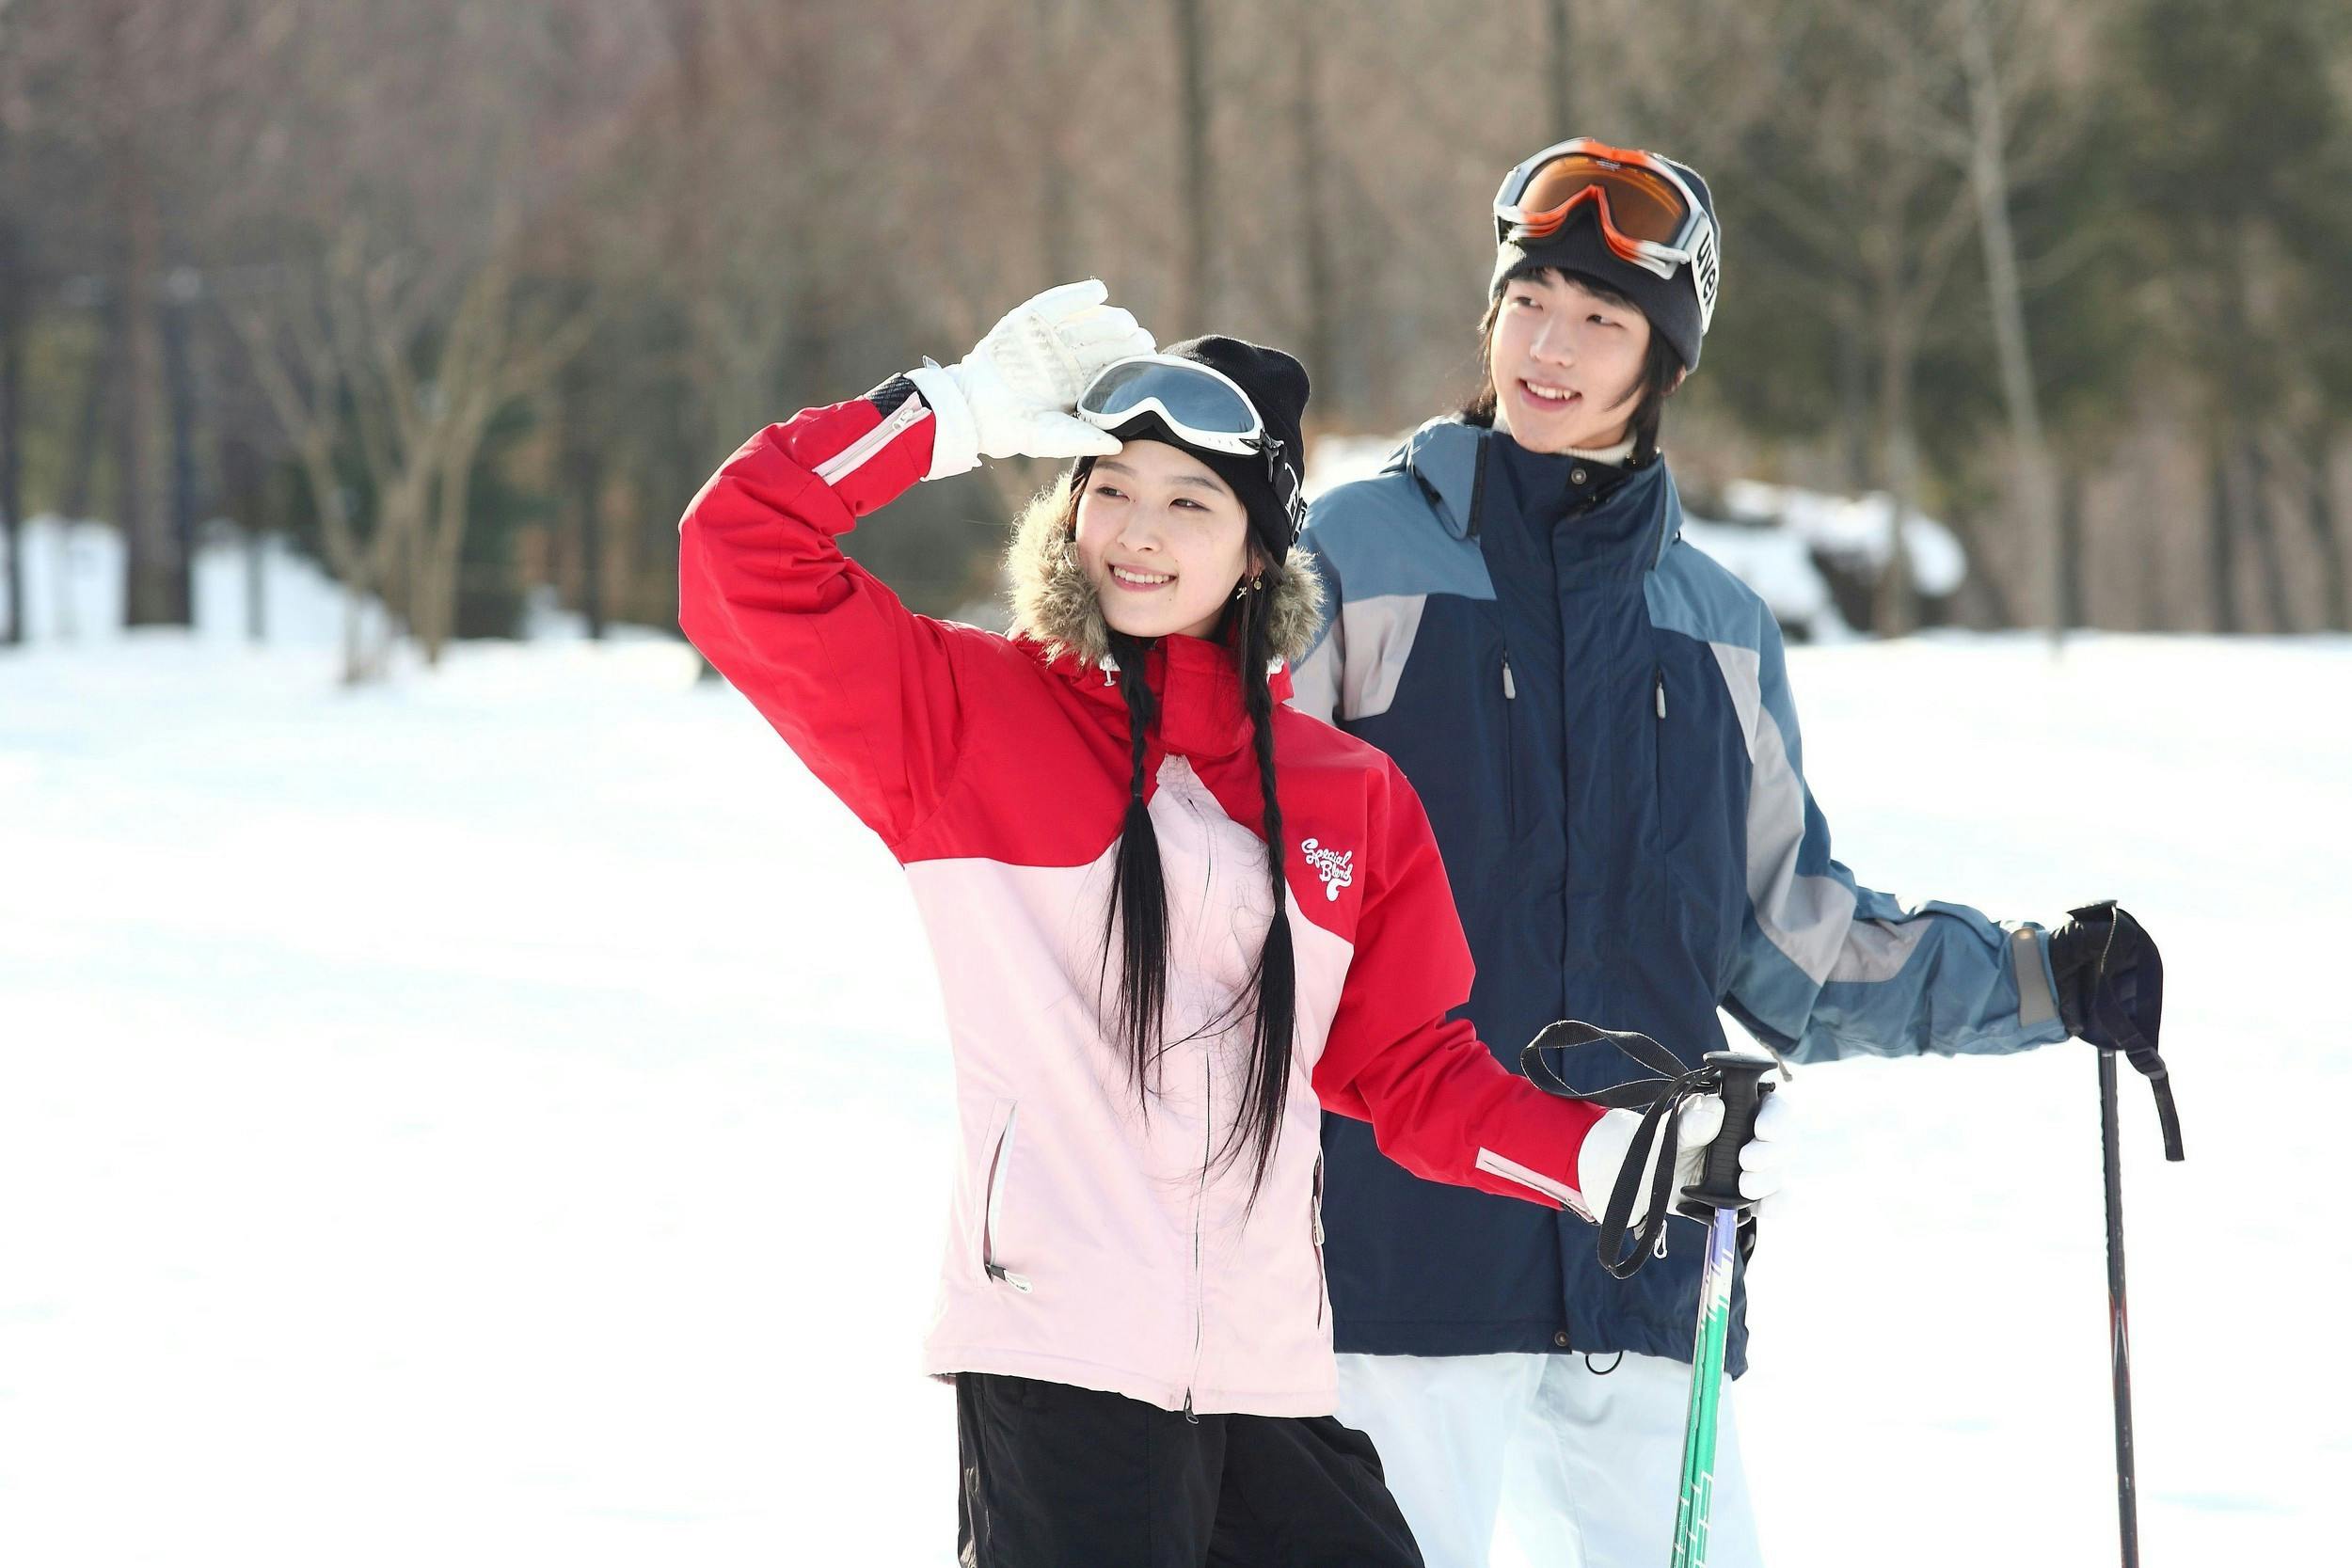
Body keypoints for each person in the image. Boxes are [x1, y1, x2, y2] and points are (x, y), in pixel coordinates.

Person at [675, 280, 1787, 1567]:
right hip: (1063, 1365)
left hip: (1266, 1375)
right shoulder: (968, 720)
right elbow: (738, 556)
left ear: (1258, 551)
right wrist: (954, 413)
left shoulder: (1345, 795)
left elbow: (1405, 1070)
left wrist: (1603, 1159)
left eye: (1189, 503)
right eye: (1110, 492)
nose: (1136, 535)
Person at [1290, 139, 2172, 1567]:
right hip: (1398, 1255)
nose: (1550, 347)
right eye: (1529, 301)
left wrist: (2043, 981)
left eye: (1601, 319)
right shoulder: (1353, 563)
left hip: (1645, 1258)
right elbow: (1242, 887)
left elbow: (1801, 953)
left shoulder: (1715, 628)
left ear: (1667, 363)